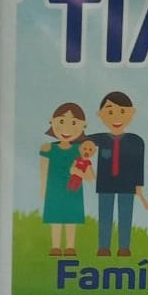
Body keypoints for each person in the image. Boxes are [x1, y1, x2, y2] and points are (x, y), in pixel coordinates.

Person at [89, 91, 144, 256]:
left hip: (127, 185)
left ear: (132, 112)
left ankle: (124, 247)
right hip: (105, 184)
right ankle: (103, 247)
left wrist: (139, 185)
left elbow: (139, 164)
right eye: (110, 112)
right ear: (100, 114)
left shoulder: (136, 141)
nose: (116, 117)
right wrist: (52, 145)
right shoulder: (101, 139)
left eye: (122, 111)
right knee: (104, 217)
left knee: (125, 216)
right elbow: (77, 138)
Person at [38, 102, 88, 256]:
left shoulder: (80, 150)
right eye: (61, 121)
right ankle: (55, 246)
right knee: (56, 218)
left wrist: (78, 172)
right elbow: (43, 170)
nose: (66, 128)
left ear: (83, 126)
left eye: (73, 123)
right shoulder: (48, 149)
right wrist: (43, 189)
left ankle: (70, 246)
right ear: (52, 122)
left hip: (73, 190)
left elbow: (89, 175)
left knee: (71, 219)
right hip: (54, 190)